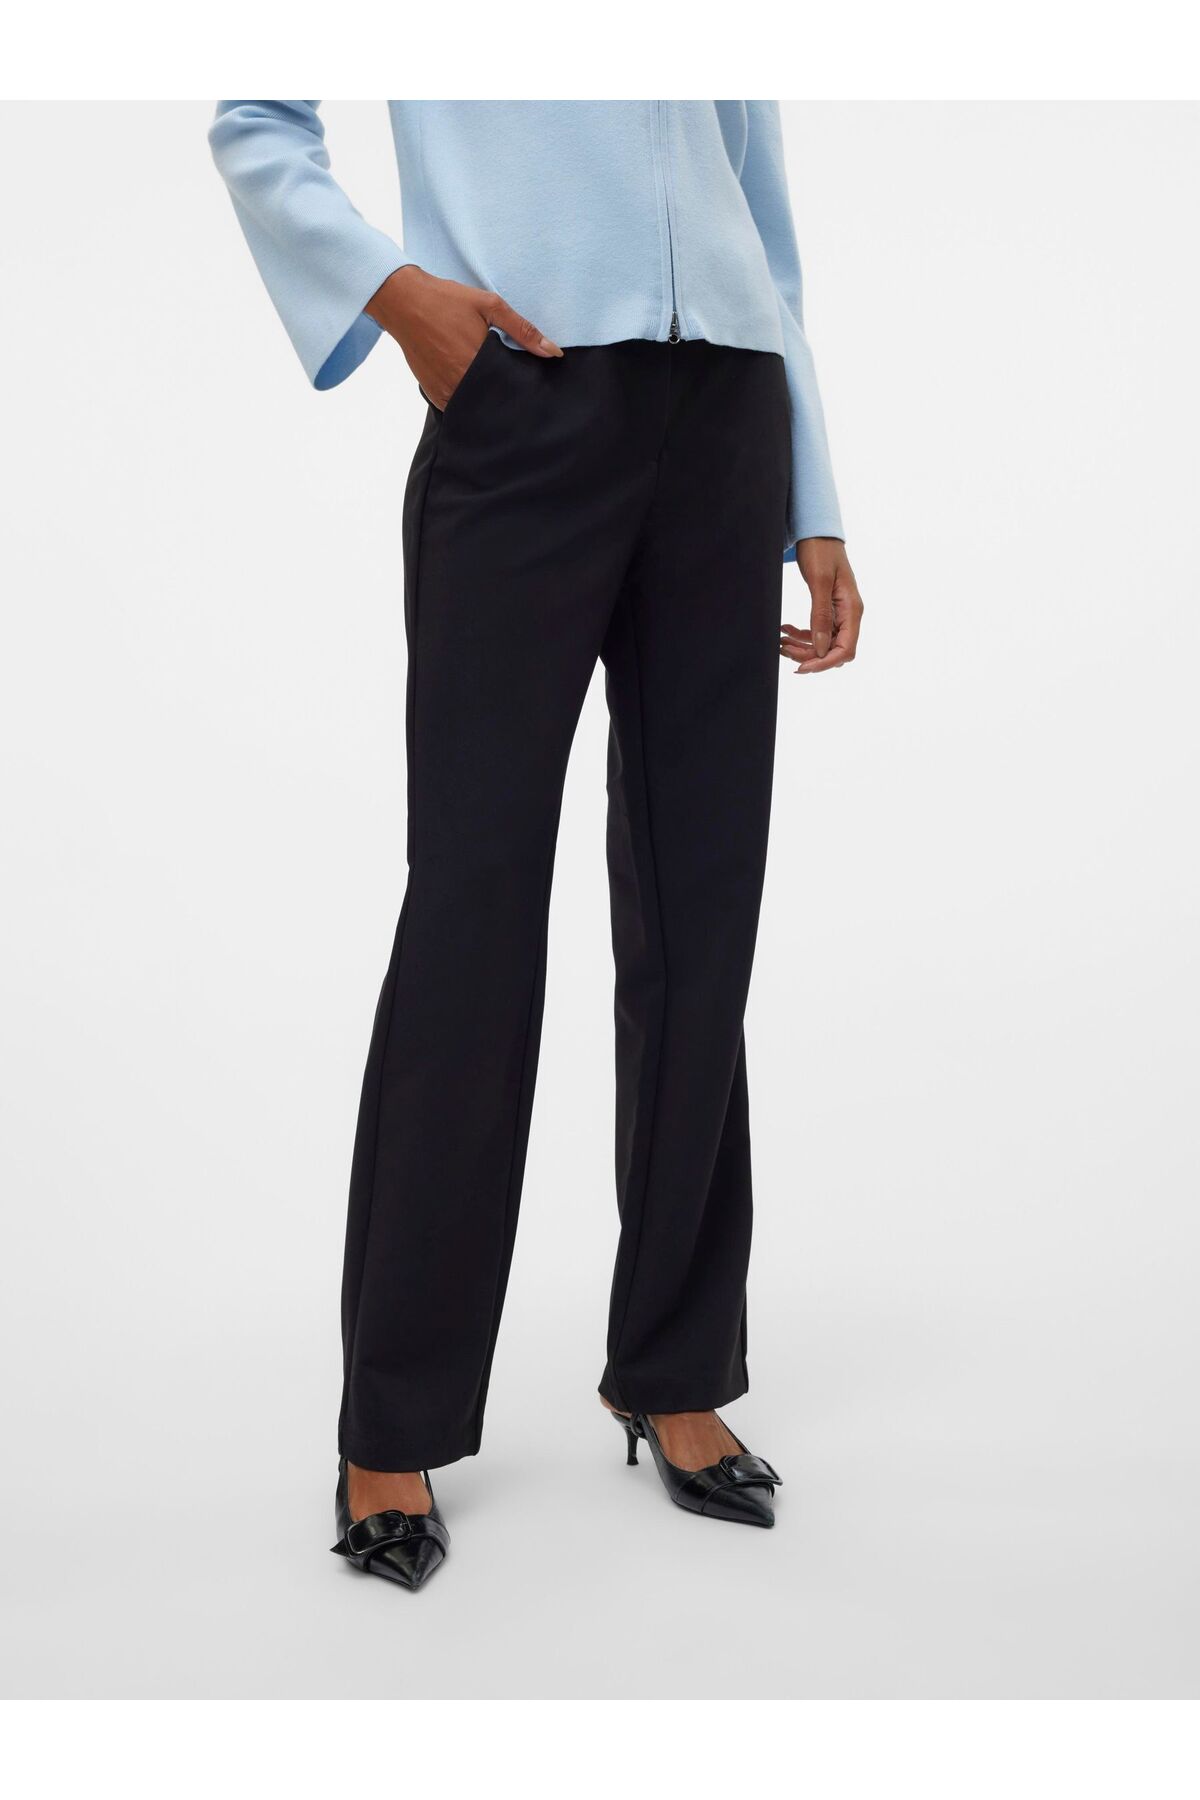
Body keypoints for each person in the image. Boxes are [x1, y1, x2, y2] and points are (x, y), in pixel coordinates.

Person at [209, 99, 864, 1590]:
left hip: (730, 419)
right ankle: (393, 1420)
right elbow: (257, 121)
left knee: (701, 917)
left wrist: (812, 498)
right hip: (524, 400)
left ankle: (675, 1367)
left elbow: (764, 224)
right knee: (473, 915)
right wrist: (397, 296)